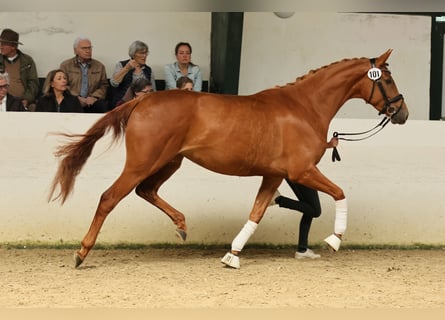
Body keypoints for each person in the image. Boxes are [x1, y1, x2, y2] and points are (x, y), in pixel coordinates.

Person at [269, 136, 339, 259]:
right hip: (301, 169)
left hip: (295, 168)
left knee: (309, 210)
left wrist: (328, 145)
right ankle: (278, 200)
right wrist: (328, 145)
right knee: (315, 211)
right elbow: (307, 146)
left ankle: (302, 249)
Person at [59, 36, 109, 113]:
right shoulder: (66, 65)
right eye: (84, 48)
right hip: (73, 99)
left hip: (92, 101)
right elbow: (63, 85)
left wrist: (94, 97)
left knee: (102, 106)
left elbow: (104, 85)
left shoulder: (99, 66)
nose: (88, 51)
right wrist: (77, 98)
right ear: (75, 50)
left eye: (89, 48)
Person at [0, 28, 40, 111]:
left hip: (21, 101)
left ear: (13, 46)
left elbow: (33, 83)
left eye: (4, 44)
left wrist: (26, 99)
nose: (1, 46)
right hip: (2, 101)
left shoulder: (27, 61)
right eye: (0, 43)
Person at [109, 40, 156, 109]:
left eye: (146, 53)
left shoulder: (148, 70)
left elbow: (153, 91)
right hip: (123, 103)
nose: (144, 56)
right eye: (141, 53)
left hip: (144, 104)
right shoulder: (122, 65)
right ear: (133, 54)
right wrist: (126, 69)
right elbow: (114, 83)